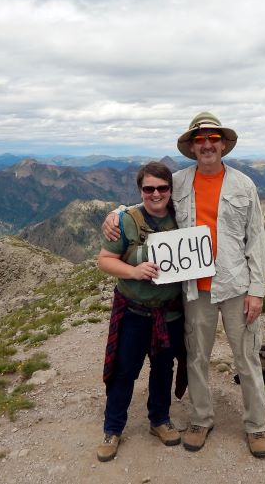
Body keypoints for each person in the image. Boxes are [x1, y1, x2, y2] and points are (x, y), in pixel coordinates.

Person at [103, 111, 265, 458]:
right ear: (193, 147)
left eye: (213, 139)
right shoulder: (178, 181)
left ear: (223, 144)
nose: (207, 145)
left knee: (247, 357)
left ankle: (257, 426)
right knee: (196, 357)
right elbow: (151, 199)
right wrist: (117, 212)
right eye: (200, 140)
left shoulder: (244, 185)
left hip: (237, 285)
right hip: (195, 288)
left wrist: (257, 290)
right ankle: (200, 419)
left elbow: (256, 240)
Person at [96, 161, 184, 462]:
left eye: (162, 188)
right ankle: (113, 428)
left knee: (163, 368)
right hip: (134, 311)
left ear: (170, 190)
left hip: (169, 312)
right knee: (125, 371)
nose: (156, 194)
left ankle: (159, 420)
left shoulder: (182, 218)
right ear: (140, 190)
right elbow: (105, 260)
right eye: (149, 188)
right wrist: (134, 271)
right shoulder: (126, 221)